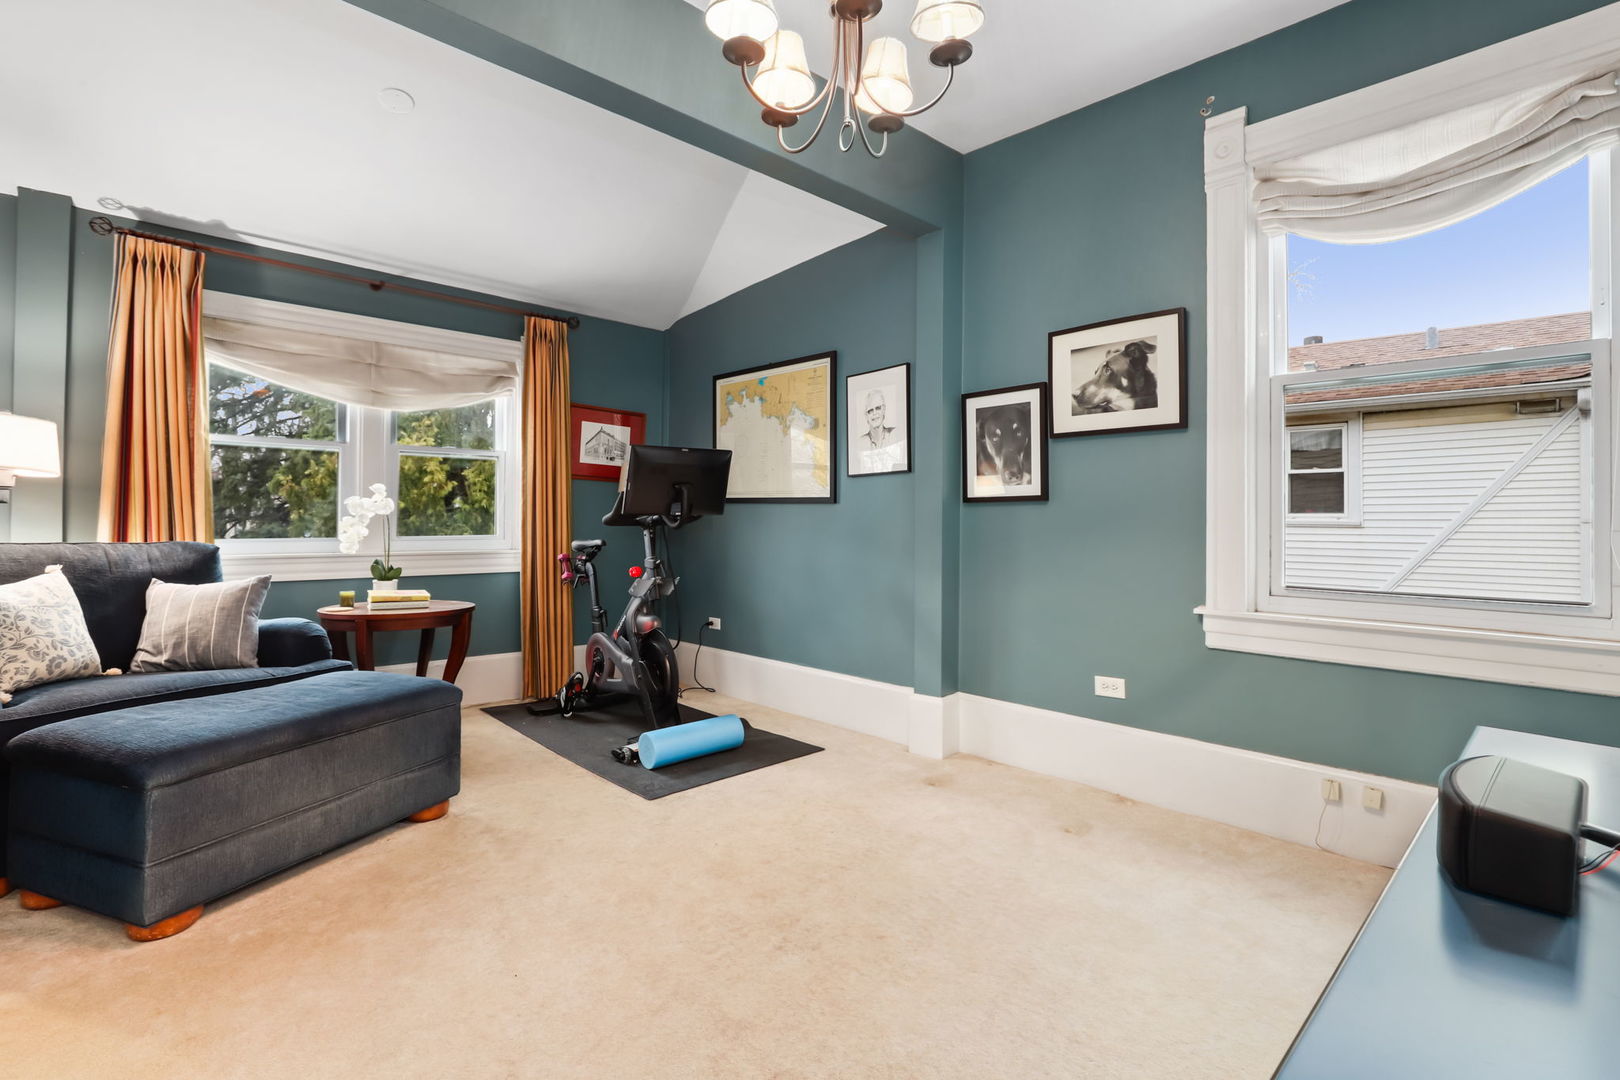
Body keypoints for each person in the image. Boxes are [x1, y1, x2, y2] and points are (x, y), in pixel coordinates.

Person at [857, 387, 906, 472]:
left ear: (884, 409)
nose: (874, 413)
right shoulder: (860, 443)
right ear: (866, 416)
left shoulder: (895, 436)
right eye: (870, 410)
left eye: (878, 408)